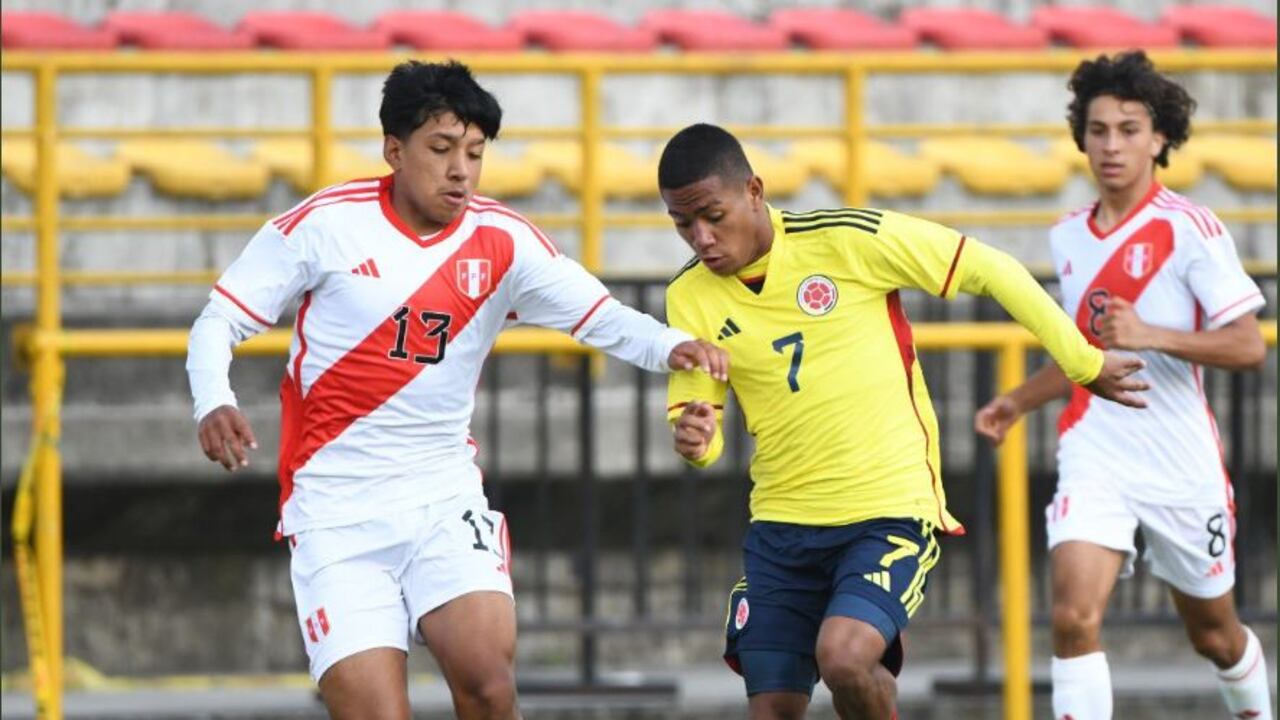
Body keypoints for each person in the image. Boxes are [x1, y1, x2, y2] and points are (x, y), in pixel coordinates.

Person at [185, 60, 727, 720]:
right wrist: (214, 399)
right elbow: (220, 318)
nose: (460, 171)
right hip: (335, 513)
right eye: (441, 149)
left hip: (442, 499)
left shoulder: (503, 240)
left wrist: (671, 345)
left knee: (489, 686)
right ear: (394, 150)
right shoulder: (324, 226)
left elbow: (600, 315)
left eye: (473, 153)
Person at [658, 122, 1148, 720]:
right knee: (775, 709)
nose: (702, 238)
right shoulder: (688, 296)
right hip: (781, 525)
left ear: (754, 191)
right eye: (683, 224)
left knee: (844, 657)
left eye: (713, 216)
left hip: (886, 510)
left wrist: (1084, 363)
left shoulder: (845, 240)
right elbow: (699, 421)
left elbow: (989, 268)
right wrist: (697, 440)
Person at [974, 51, 1271, 720]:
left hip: (1179, 460)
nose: (1112, 145)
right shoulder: (1068, 236)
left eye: (1129, 130)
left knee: (1215, 636)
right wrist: (1015, 401)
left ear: (1159, 138)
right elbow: (1086, 353)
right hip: (1096, 448)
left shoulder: (1190, 228)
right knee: (1073, 617)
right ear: (1082, 138)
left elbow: (1249, 346)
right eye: (1099, 130)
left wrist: (1151, 334)